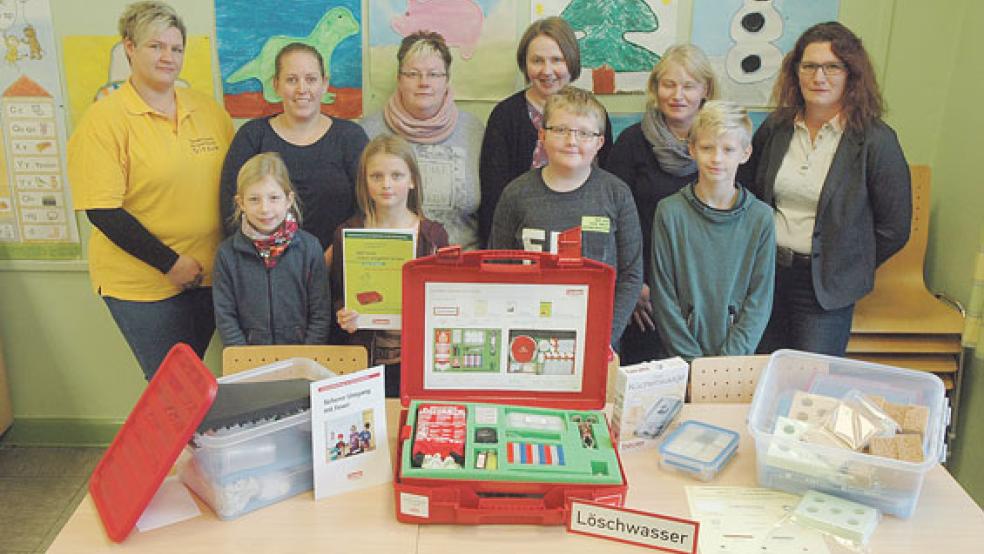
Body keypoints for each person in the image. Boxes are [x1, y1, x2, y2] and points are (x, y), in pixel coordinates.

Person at [67, 1, 233, 380]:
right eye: (156, 46)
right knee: (170, 385)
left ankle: (189, 441)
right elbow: (103, 211)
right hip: (143, 284)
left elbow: (233, 185)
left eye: (176, 48)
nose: (168, 57)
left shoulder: (207, 111)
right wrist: (171, 264)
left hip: (207, 275)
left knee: (190, 380)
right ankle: (171, 443)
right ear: (129, 47)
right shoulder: (104, 122)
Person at [739, 22, 911, 356]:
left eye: (833, 67)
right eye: (810, 66)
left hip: (824, 289)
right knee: (758, 374)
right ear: (796, 72)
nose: (819, 78)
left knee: (810, 387)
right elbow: (748, 192)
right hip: (766, 276)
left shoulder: (876, 140)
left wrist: (844, 264)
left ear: (852, 74)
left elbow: (895, 228)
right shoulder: (777, 127)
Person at [490, 86, 642, 345]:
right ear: (542, 135)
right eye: (560, 130)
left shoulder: (617, 194)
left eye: (584, 133)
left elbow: (631, 275)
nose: (572, 141)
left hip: (598, 337)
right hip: (528, 336)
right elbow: (497, 269)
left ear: (600, 142)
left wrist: (605, 337)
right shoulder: (516, 194)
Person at [606, 44, 719, 364]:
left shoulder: (720, 144)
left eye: (689, 85)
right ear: (655, 87)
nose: (678, 95)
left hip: (703, 289)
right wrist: (634, 285)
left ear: (705, 89)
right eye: (669, 84)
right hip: (647, 294)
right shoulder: (632, 141)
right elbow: (612, 219)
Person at [650, 101, 775, 361]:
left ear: (745, 153)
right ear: (692, 149)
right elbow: (664, 298)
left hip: (736, 361)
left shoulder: (760, 218)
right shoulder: (670, 212)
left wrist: (726, 364)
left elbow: (759, 301)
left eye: (728, 149)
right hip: (680, 358)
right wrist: (692, 363)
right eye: (707, 148)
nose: (717, 158)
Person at [478, 17, 614, 246]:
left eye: (557, 60)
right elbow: (494, 198)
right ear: (525, 64)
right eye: (537, 61)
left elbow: (608, 184)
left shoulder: (594, 114)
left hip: (584, 241)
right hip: (520, 243)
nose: (547, 70)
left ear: (571, 62)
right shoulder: (505, 116)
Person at [330, 135, 449, 397]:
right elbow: (338, 294)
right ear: (365, 182)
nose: (386, 184)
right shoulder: (348, 233)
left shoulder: (433, 236)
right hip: (366, 358)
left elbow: (444, 301)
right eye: (376, 176)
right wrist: (344, 315)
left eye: (396, 175)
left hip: (417, 360)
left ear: (412, 180)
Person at [220, 42, 368, 249]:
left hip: (339, 265)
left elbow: (368, 208)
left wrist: (329, 258)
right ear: (276, 84)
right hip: (266, 269)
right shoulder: (252, 137)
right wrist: (275, 262)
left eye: (311, 79)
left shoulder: (351, 138)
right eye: (291, 80)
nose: (302, 89)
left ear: (324, 84)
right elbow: (231, 210)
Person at [360, 31, 484, 250]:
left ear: (447, 80)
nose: (424, 83)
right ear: (399, 79)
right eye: (413, 74)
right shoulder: (367, 133)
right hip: (390, 263)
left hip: (461, 267)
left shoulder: (474, 131)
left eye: (434, 74)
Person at [212, 152, 331, 346]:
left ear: (289, 200)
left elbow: (320, 313)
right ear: (241, 203)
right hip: (249, 361)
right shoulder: (227, 255)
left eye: (274, 197)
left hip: (302, 357)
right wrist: (244, 358)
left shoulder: (309, 249)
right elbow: (225, 317)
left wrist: (308, 354)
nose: (265, 209)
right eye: (254, 199)